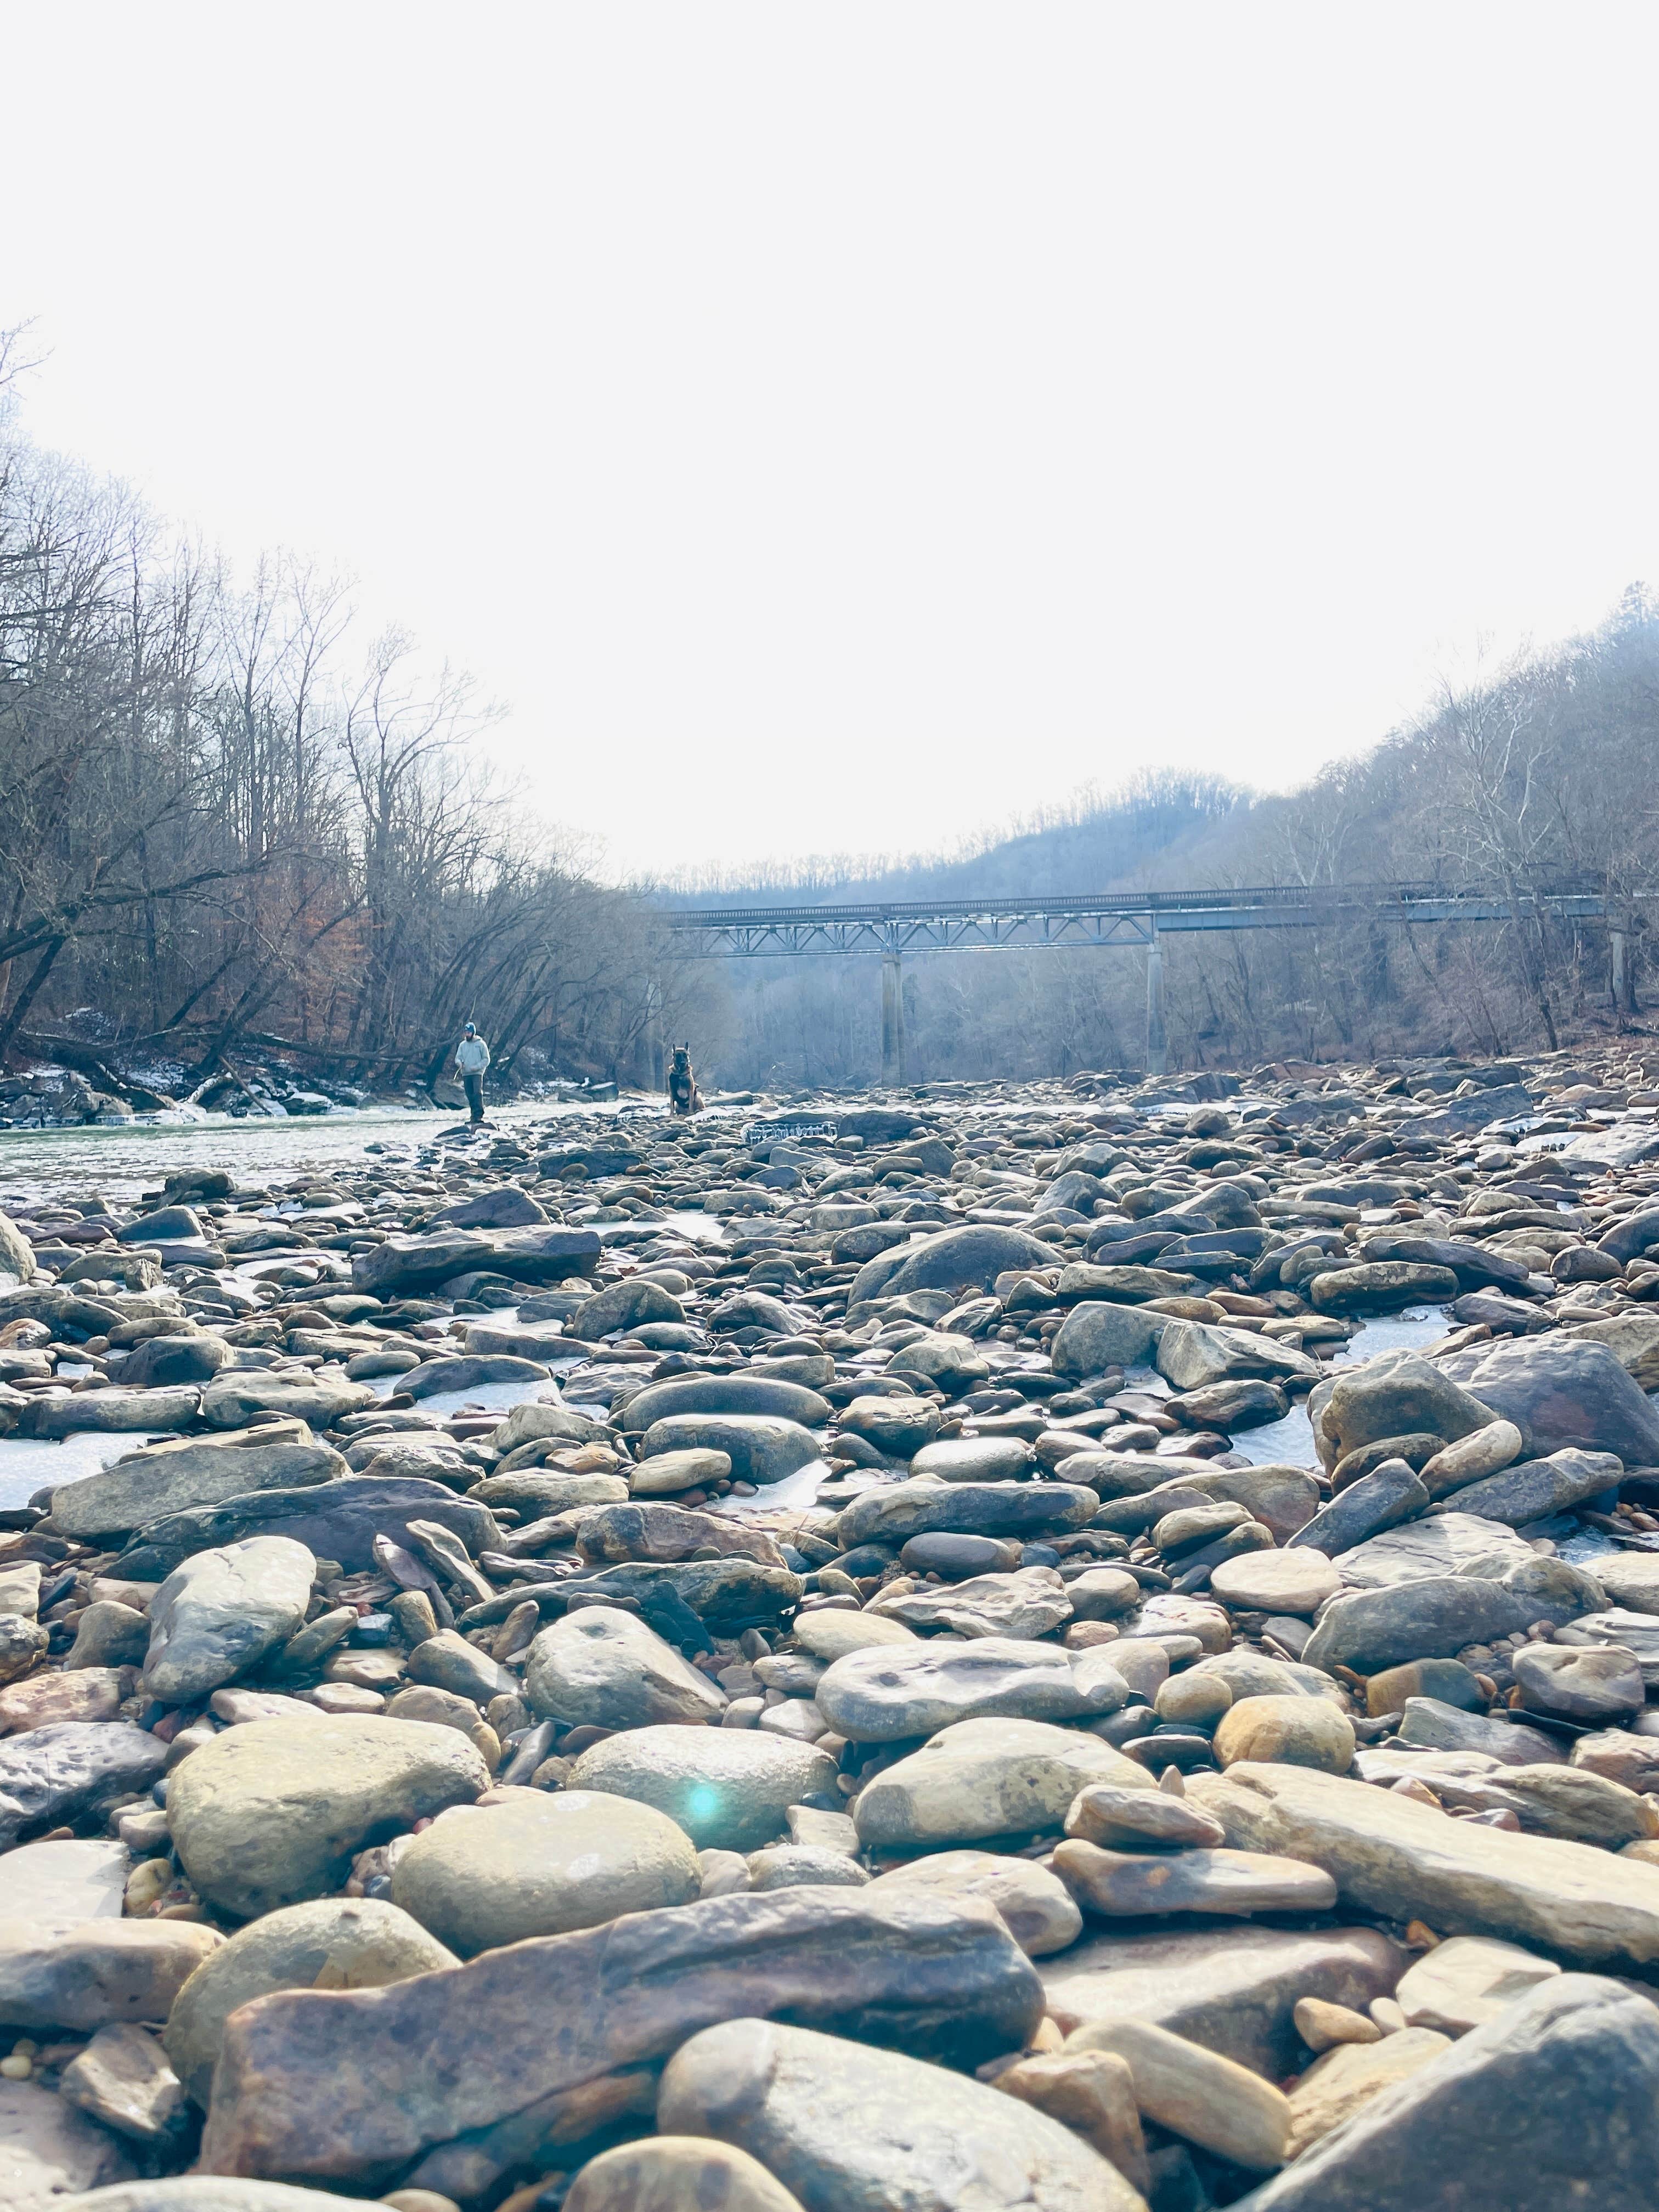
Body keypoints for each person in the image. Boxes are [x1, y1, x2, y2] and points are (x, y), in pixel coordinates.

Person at [454, 1023, 491, 1123]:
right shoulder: (462, 1045)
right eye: (466, 1032)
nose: (467, 1034)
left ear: (473, 1033)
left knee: (477, 1093)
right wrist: (460, 1063)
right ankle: (473, 1115)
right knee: (469, 1094)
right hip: (466, 1073)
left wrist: (477, 1067)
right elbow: (458, 1058)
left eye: (469, 1032)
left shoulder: (481, 1044)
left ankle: (479, 1115)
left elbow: (486, 1060)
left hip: (477, 1073)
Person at [668, 1042, 702, 1116]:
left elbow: (691, 1093)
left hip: (694, 1106)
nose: (682, 1060)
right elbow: (672, 1095)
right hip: (680, 1107)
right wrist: (672, 1113)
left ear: (687, 1057)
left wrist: (691, 1112)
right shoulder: (672, 1076)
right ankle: (673, 1113)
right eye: (678, 1056)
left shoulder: (688, 1075)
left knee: (698, 1099)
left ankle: (691, 1112)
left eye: (684, 1056)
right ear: (674, 1057)